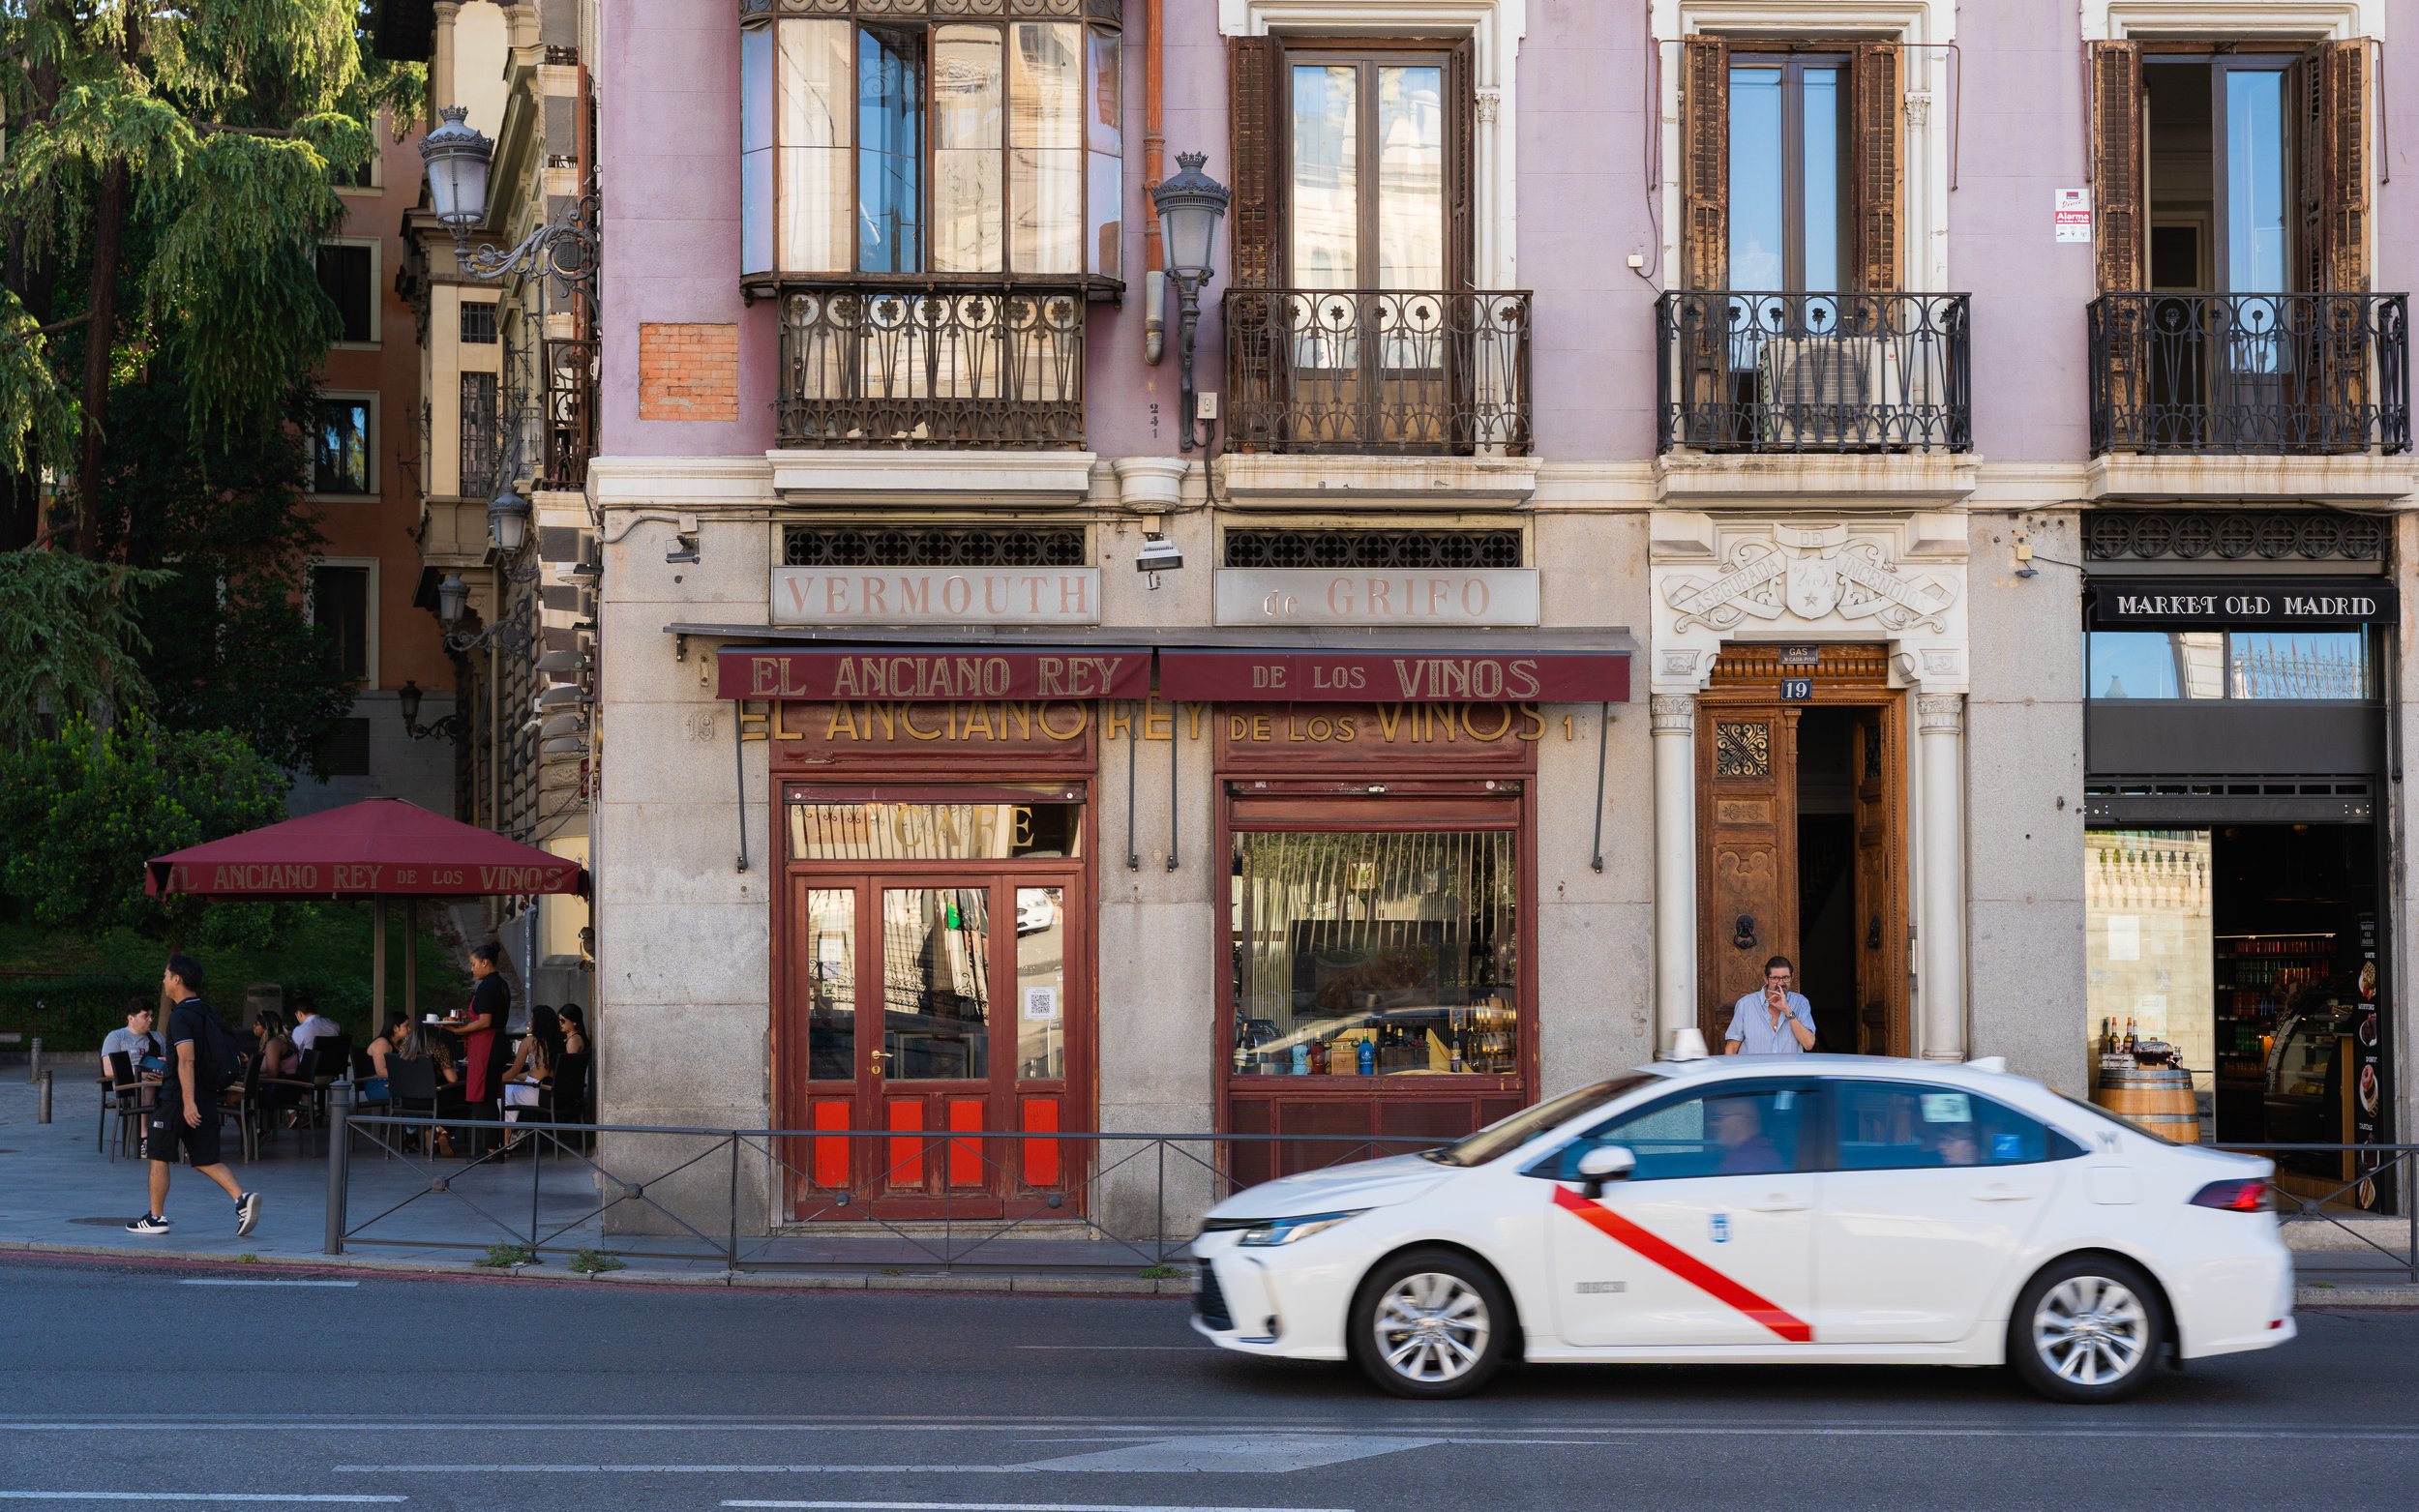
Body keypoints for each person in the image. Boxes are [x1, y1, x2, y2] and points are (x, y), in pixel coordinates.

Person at [129, 955, 259, 1237]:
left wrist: (187, 1102)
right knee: (205, 1159)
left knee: (158, 1153)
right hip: (208, 1093)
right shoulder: (207, 1011)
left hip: (179, 1098)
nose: (163, 981)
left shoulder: (181, 1016)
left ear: (177, 979)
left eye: (165, 975)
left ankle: (156, 1217)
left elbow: (187, 1060)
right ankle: (241, 1199)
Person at [442, 941, 513, 1115]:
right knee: (490, 1094)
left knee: (483, 1097)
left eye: (473, 964)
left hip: (487, 1046)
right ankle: (491, 1141)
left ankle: (488, 1142)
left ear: (485, 962)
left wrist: (458, 1030)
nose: (472, 969)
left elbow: (485, 1021)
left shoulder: (487, 986)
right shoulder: (501, 984)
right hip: (498, 1042)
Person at [379, 1016, 461, 1157]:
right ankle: (441, 1130)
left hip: (406, 1099)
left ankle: (439, 1133)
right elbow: (452, 1079)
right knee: (464, 1097)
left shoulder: (405, 1045)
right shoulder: (439, 1046)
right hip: (431, 1099)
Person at [497, 1004, 565, 1150]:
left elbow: (513, 1071)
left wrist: (492, 1080)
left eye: (532, 1019)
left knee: (503, 1091)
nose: (529, 1023)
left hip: (536, 1093)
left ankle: (506, 1135)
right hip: (554, 1092)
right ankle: (512, 1132)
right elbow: (536, 1072)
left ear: (539, 1022)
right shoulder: (559, 1042)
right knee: (511, 1085)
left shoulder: (530, 1041)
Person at [1724, 955, 1817, 1055]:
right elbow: (1732, 1047)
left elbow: (1808, 1044)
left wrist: (1787, 1010)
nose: (1781, 983)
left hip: (1789, 1070)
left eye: (1786, 977)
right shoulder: (1745, 1004)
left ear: (1792, 977)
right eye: (1775, 978)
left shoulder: (1801, 1002)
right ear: (1766, 978)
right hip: (1754, 1070)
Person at [1708, 1095, 1785, 1175]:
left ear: (1742, 1121)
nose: (1711, 1124)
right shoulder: (1741, 1154)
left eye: (1718, 1117)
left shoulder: (1751, 1162)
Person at [101, 999, 164, 1082]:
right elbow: (108, 1071)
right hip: (130, 1085)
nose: (151, 1020)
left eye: (151, 1016)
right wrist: (141, 1073)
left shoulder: (158, 1037)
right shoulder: (116, 1037)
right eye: (145, 1016)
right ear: (131, 1018)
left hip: (160, 1082)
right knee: (149, 1084)